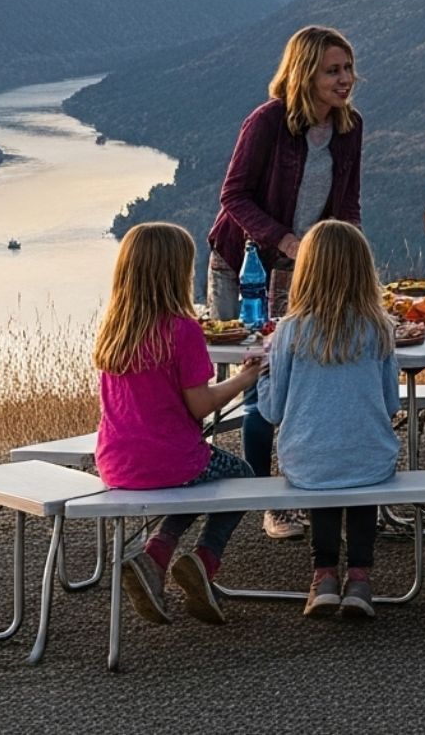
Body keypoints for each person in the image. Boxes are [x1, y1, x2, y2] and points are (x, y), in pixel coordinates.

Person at [208, 25, 364, 541]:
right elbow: (233, 196)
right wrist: (288, 240)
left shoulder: (349, 126)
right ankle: (269, 502)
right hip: (244, 267)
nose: (345, 79)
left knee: (301, 380)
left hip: (304, 273)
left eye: (348, 68)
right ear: (305, 73)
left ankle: (311, 487)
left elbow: (347, 204)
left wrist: (348, 259)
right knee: (258, 379)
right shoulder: (268, 122)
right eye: (332, 70)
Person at [92, 222, 266, 627]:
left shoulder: (113, 329)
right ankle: (204, 560)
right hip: (172, 461)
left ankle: (157, 557)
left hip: (117, 464)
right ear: (175, 273)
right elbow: (200, 405)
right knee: (240, 476)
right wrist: (246, 378)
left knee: (196, 479)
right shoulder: (182, 330)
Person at [254, 220, 401, 620]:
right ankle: (360, 580)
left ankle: (324, 576)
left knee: (322, 464)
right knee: (360, 471)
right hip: (371, 460)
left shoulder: (289, 332)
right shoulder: (379, 328)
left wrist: (263, 374)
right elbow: (391, 403)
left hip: (307, 463)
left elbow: (272, 411)